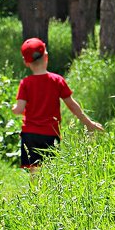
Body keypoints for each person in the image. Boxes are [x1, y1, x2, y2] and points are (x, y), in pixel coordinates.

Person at [14, 37, 103, 170]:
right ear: (46, 56)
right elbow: (72, 105)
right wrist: (88, 123)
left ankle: (35, 191)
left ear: (26, 63)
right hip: (51, 133)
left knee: (34, 171)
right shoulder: (57, 81)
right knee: (50, 170)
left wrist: (14, 108)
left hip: (30, 134)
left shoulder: (26, 83)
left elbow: (19, 109)